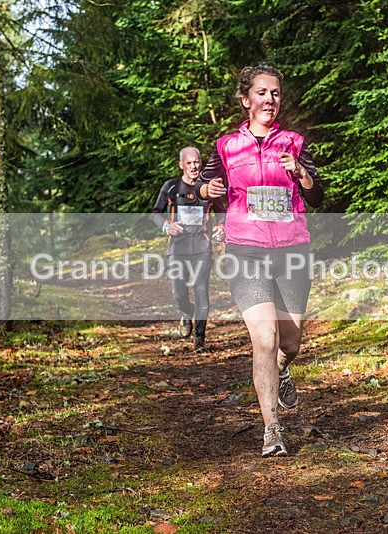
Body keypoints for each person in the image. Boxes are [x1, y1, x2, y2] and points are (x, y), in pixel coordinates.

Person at [196, 65, 323, 456]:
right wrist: (207, 189)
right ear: (246, 99)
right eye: (263, 93)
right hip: (245, 250)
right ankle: (272, 429)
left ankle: (284, 369)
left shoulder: (296, 142)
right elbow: (205, 188)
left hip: (291, 250)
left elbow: (317, 197)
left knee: (290, 342)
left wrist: (301, 172)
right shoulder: (225, 147)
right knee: (263, 339)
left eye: (276, 93)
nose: (270, 100)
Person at [152, 146, 225, 353]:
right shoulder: (171, 187)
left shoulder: (208, 187)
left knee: (201, 288)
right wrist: (167, 225)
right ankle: (186, 312)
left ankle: (200, 340)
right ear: (181, 164)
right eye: (189, 163)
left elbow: (221, 211)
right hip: (178, 246)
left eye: (197, 162)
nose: (194, 166)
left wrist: (221, 227)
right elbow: (156, 212)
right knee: (179, 290)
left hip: (201, 245)